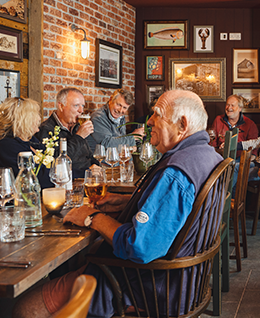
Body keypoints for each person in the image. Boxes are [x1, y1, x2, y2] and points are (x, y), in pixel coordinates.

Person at [13, 89, 224, 318]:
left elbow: (140, 246)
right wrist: (127, 201)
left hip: (145, 287)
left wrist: (91, 217)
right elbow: (174, 213)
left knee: (25, 307)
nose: (149, 121)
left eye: (156, 115)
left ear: (182, 124)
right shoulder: (207, 156)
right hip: (184, 281)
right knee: (80, 261)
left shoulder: (176, 173)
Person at [35, 87, 99, 178]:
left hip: (89, 178)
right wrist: (79, 137)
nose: (81, 110)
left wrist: (98, 167)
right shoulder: (46, 130)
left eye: (83, 106)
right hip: (71, 181)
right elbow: (56, 163)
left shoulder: (76, 127)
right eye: (76, 105)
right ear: (61, 106)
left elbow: (88, 156)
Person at [210, 94, 258, 196]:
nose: (229, 108)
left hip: (241, 161)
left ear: (240, 108)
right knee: (232, 175)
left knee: (234, 168)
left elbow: (253, 153)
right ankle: (231, 205)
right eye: (227, 105)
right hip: (221, 160)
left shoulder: (250, 124)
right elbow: (212, 145)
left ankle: (220, 198)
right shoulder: (218, 120)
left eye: (232, 105)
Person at [0, 97, 52, 189]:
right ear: (24, 120)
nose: (39, 118)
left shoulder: (31, 140)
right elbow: (39, 178)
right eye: (36, 115)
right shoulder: (7, 145)